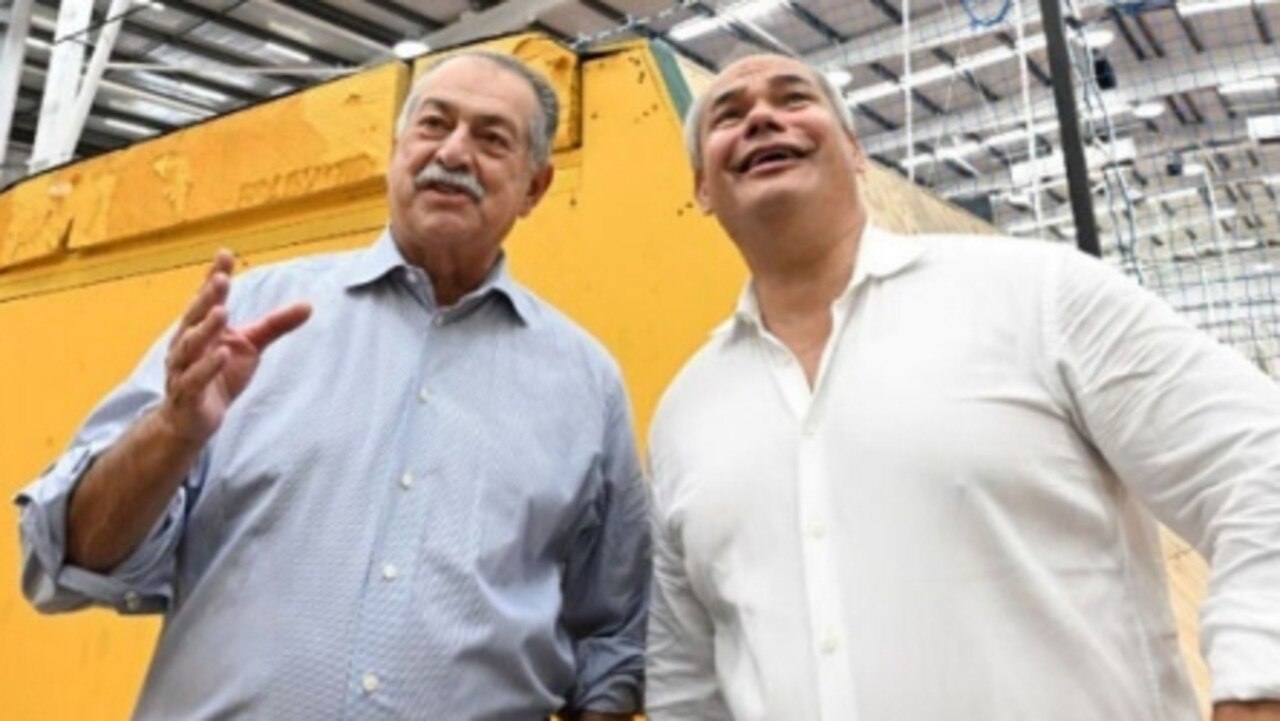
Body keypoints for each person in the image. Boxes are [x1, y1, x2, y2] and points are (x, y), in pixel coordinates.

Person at [645, 53, 1280, 721]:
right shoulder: (687, 413)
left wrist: (1259, 681)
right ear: (702, 188)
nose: (762, 117)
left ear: (856, 150)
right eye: (729, 114)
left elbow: (1258, 458)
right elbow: (687, 672)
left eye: (793, 98)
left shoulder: (1039, 296)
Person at [17, 51, 649, 721]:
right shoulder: (250, 319)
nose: (455, 152)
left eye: (492, 139)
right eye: (434, 125)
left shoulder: (585, 382)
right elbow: (63, 555)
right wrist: (173, 429)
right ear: (396, 151)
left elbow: (614, 637)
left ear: (535, 186)